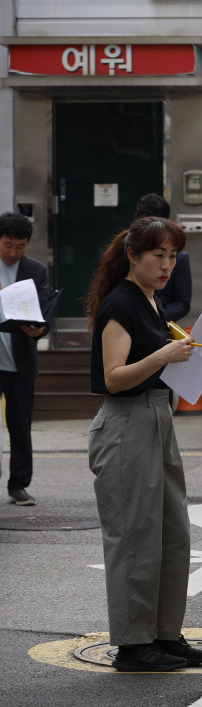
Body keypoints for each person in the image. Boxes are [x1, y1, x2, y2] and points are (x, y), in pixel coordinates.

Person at [85, 216, 202, 672]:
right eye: (158, 255)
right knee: (135, 536)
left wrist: (188, 361)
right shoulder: (121, 303)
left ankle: (164, 634)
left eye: (173, 256)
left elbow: (153, 365)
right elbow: (115, 378)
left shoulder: (152, 301)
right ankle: (133, 644)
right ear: (132, 256)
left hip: (157, 416)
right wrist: (164, 355)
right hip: (126, 423)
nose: (167, 265)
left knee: (172, 534)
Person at [0, 211, 51, 506]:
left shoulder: (36, 270)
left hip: (20, 362)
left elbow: (44, 312)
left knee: (20, 426)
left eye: (20, 246)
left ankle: (18, 485)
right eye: (7, 245)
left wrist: (40, 329)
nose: (13, 252)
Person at [134, 194, 192, 322]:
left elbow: (182, 303)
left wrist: (156, 316)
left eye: (171, 256)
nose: (165, 266)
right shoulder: (125, 251)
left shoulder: (180, 259)